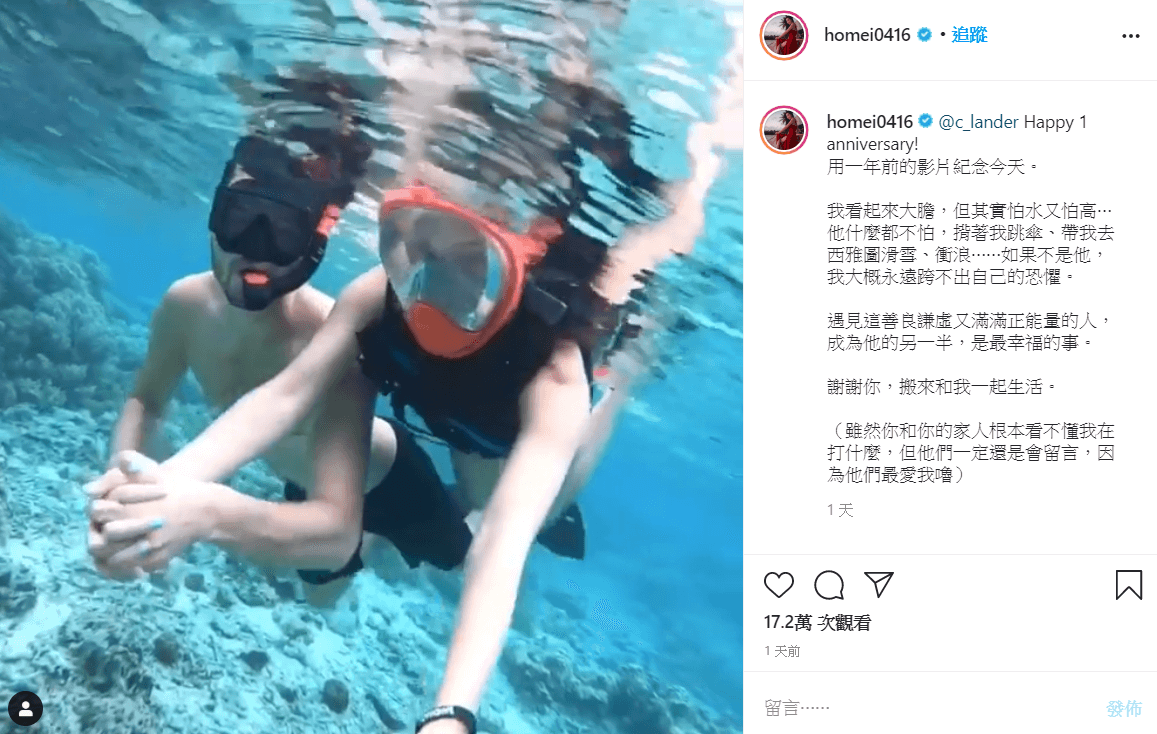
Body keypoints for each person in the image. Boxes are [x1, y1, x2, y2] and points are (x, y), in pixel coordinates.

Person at [89, 134, 587, 606]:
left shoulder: (330, 333)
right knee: (320, 599)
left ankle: (527, 498)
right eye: (240, 219)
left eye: (283, 232)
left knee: (457, 557)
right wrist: (129, 480)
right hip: (312, 488)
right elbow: (146, 401)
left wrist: (200, 510)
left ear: (313, 242)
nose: (255, 248)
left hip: (389, 480)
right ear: (216, 215)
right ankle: (383, 535)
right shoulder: (184, 306)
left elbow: (326, 516)